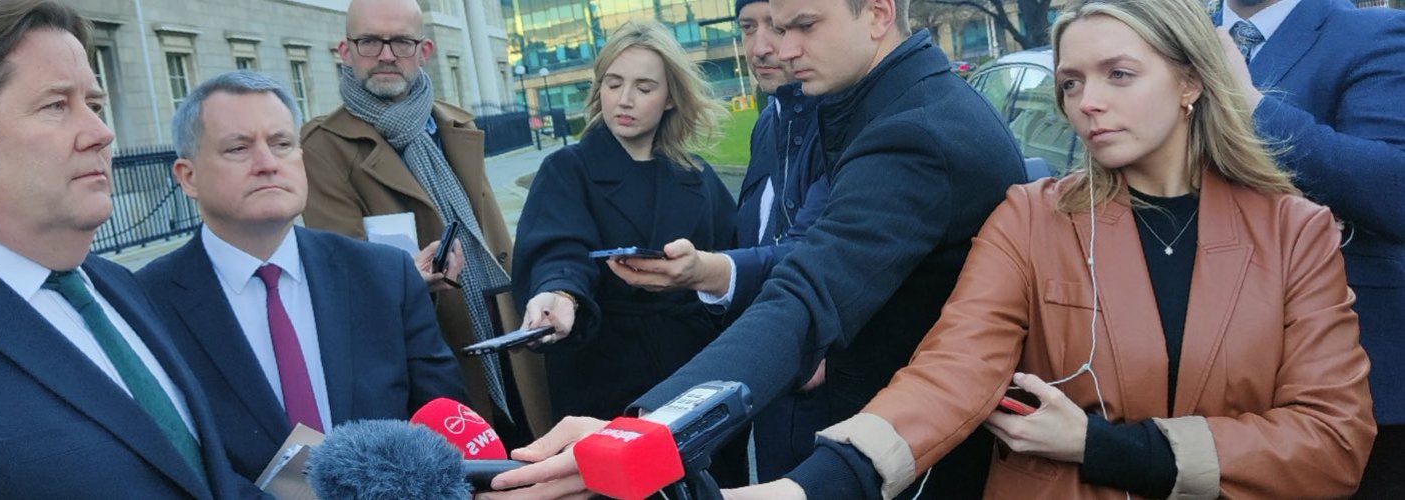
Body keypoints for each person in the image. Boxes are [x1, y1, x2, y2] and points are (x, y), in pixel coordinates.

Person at [724, 0, 1370, 497]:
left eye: (1119, 75)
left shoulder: (1295, 232)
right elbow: (952, 370)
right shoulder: (1033, 219)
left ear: (1190, 83)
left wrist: (1102, 446)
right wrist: (817, 481)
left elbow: (1332, 440)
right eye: (1069, 83)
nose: (1088, 103)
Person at [482, 0, 1025, 496]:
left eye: (804, 26)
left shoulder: (913, 131)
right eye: (777, 28)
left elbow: (804, 297)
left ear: (879, 13)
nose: (783, 50)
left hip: (916, 453)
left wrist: (645, 430)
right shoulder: (890, 108)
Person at [0, 0, 260, 496]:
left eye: (94, 105)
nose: (101, 132)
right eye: (56, 105)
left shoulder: (116, 286)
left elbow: (206, 481)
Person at [136, 71, 470, 481]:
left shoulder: (384, 276)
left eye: (281, 144)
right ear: (188, 177)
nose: (267, 164)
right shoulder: (145, 304)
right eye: (239, 148)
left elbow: (447, 427)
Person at [603, 0, 834, 483]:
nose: (761, 47)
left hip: (828, 390)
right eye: (748, 27)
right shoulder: (772, 122)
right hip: (771, 378)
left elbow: (814, 248)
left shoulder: (843, 124)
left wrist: (706, 271)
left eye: (780, 25)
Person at [299, 0, 550, 443]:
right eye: (370, 41)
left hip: (504, 336)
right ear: (345, 50)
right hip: (428, 357)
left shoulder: (453, 124)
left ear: (425, 49)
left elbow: (495, 240)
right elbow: (344, 281)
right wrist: (407, 280)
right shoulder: (323, 147)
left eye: (401, 41)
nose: (387, 54)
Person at [510, 19, 746, 487]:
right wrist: (560, 293)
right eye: (613, 83)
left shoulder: (698, 176)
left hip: (692, 372)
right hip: (603, 373)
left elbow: (738, 267)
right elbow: (560, 249)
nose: (625, 99)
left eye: (644, 86)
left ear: (671, 97)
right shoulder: (567, 169)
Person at [1213, 1, 1405, 495]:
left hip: (1358, 383)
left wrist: (1249, 103)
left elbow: (1391, 189)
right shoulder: (1176, 34)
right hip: (1208, 369)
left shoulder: (1372, 31)